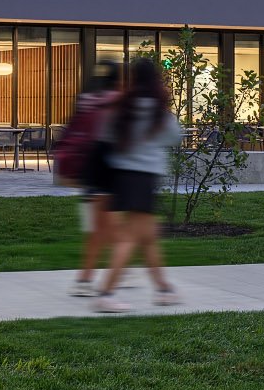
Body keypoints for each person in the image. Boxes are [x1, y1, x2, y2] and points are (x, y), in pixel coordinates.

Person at [94, 57, 183, 313]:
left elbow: (106, 135)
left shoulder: (123, 108)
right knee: (131, 238)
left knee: (148, 237)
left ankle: (164, 289)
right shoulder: (158, 112)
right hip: (144, 179)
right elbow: (176, 136)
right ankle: (106, 293)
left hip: (122, 177)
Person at [60, 64, 123, 297]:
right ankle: (88, 279)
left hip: (88, 168)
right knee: (103, 228)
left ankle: (100, 273)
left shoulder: (86, 99)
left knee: (102, 227)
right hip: (106, 169)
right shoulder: (115, 100)